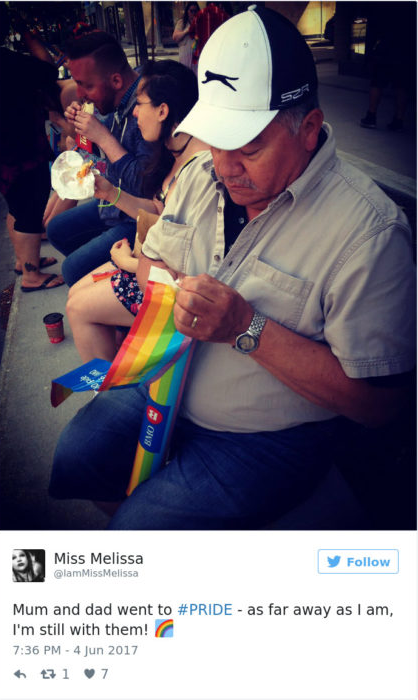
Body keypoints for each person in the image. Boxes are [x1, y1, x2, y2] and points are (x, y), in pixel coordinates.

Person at [49, 7, 415, 530]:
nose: (223, 165)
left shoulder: (370, 234)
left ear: (309, 128)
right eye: (215, 141)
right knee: (77, 458)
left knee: (138, 531)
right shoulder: (201, 173)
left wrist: (248, 329)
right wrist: (163, 283)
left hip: (265, 437)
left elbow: (383, 406)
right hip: (166, 380)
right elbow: (156, 253)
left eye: (248, 147)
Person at [66, 60, 208, 363]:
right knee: (75, 291)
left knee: (78, 309)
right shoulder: (174, 148)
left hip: (171, 289)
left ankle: (114, 392)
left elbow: (186, 264)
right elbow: (157, 209)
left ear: (163, 111)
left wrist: (129, 263)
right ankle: (120, 367)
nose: (133, 112)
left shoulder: (199, 165)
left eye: (140, 104)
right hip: (149, 263)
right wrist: (108, 191)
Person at [46, 31, 154, 287]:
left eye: (87, 85)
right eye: (78, 83)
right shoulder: (115, 102)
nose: (80, 94)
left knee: (72, 269)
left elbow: (144, 185)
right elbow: (98, 152)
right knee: (56, 229)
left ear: (116, 80)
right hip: (113, 202)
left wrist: (103, 136)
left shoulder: (147, 106)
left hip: (138, 215)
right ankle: (101, 276)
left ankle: (108, 287)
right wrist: (81, 127)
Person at [0, 3, 64, 292]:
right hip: (20, 150)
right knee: (30, 209)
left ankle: (24, 262)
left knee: (16, 205)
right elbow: (49, 70)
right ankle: (32, 276)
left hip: (1, 154)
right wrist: (29, 34)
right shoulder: (7, 63)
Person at [172, 2, 200, 73]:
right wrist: (187, 31)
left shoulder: (200, 22)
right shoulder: (181, 23)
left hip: (196, 56)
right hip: (185, 56)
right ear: (187, 11)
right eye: (191, 11)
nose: (193, 13)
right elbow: (175, 38)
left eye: (195, 11)